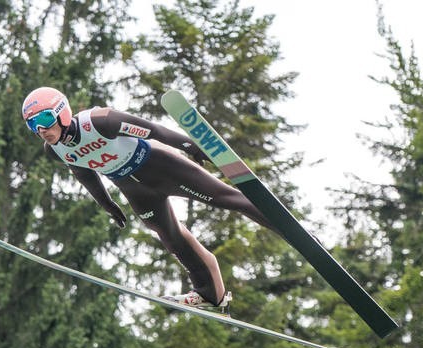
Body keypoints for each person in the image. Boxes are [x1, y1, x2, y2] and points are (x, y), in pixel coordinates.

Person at [21, 86, 283, 310]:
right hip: (134, 189)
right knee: (171, 237)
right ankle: (210, 294)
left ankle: (292, 231)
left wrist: (192, 147)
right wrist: (108, 204)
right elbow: (84, 174)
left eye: (44, 118)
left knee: (228, 200)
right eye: (33, 123)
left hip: (160, 166)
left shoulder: (100, 121)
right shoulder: (55, 150)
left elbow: (154, 130)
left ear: (61, 112)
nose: (41, 128)